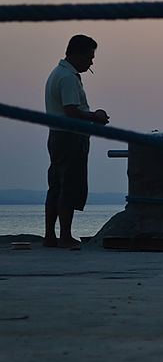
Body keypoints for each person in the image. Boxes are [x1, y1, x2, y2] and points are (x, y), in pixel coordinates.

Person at [44, 34, 110, 248]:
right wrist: (95, 117)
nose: (91, 62)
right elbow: (71, 111)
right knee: (69, 185)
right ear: (76, 54)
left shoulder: (58, 74)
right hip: (70, 137)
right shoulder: (68, 78)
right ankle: (64, 236)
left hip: (57, 135)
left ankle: (50, 236)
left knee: (56, 185)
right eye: (89, 57)